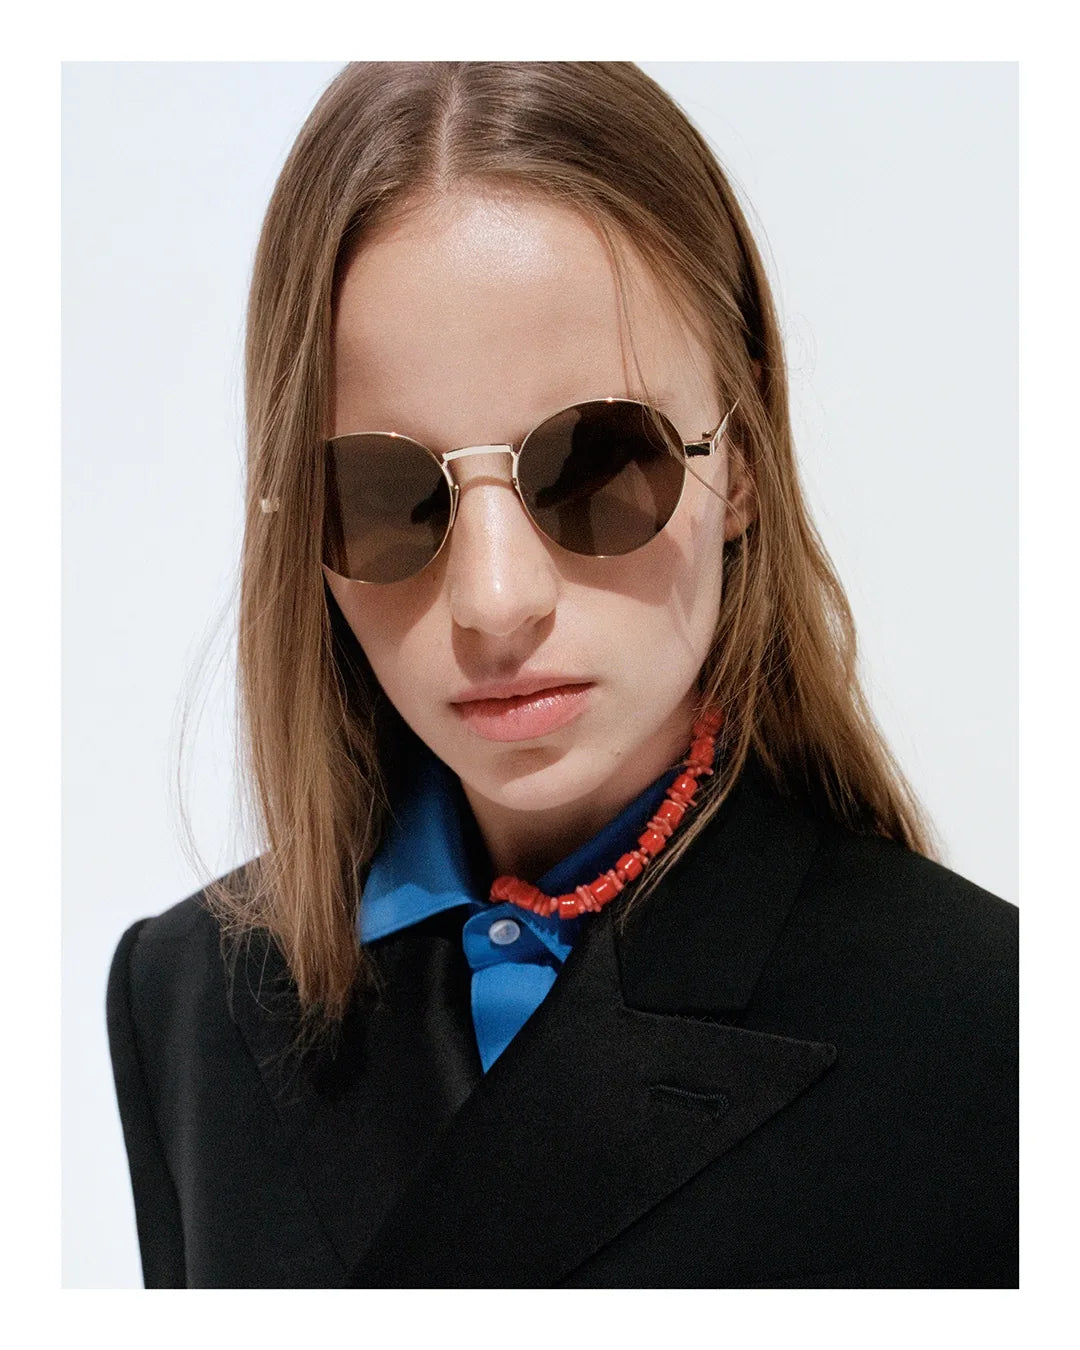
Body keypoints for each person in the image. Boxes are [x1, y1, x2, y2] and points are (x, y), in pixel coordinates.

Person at [106, 61, 1017, 1289]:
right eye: (385, 494)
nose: (495, 600)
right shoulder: (188, 1003)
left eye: (597, 464)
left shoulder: (994, 1033)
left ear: (741, 458)